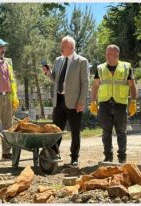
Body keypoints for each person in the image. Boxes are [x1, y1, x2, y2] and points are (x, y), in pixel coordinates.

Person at [42, 36, 89, 166]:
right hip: (59, 100)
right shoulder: (58, 60)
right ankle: (53, 155)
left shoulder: (81, 61)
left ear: (71, 47)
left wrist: (81, 102)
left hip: (74, 102)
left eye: (63, 46)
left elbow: (85, 83)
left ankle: (74, 158)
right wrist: (48, 73)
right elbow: (55, 79)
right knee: (56, 130)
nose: (60, 48)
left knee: (75, 131)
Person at [89, 44, 137, 164]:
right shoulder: (100, 68)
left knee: (121, 132)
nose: (108, 56)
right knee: (106, 132)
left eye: (111, 54)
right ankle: (108, 157)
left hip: (120, 104)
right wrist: (93, 101)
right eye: (106, 54)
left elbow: (132, 85)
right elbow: (95, 86)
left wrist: (134, 102)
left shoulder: (126, 67)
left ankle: (122, 157)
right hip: (104, 104)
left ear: (117, 54)